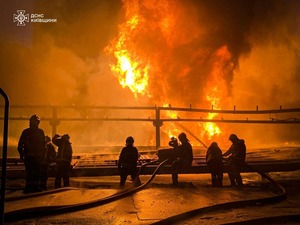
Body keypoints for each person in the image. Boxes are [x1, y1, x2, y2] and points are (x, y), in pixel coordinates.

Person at [17, 114, 46, 193]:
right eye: (32, 122)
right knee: (32, 173)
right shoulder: (36, 132)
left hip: (33, 157)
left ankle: (32, 187)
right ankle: (31, 188)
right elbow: (20, 145)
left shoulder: (28, 132)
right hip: (31, 157)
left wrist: (22, 155)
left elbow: (43, 146)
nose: (32, 123)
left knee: (34, 173)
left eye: (34, 122)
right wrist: (22, 154)